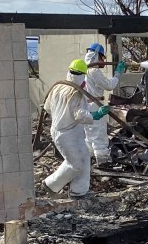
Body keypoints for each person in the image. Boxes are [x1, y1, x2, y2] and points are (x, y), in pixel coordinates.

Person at [42, 59, 110, 198]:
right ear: (82, 76)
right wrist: (97, 114)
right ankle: (50, 184)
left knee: (85, 158)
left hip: (68, 130)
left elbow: (47, 107)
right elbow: (80, 116)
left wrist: (62, 113)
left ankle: (79, 191)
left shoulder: (58, 87)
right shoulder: (76, 93)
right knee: (75, 164)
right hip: (67, 133)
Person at [81, 43, 126, 165]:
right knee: (99, 136)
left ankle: (89, 163)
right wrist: (118, 73)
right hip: (95, 104)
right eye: (102, 58)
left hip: (87, 105)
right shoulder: (94, 71)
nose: (103, 61)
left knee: (90, 137)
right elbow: (109, 85)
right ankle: (103, 163)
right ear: (97, 56)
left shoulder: (84, 70)